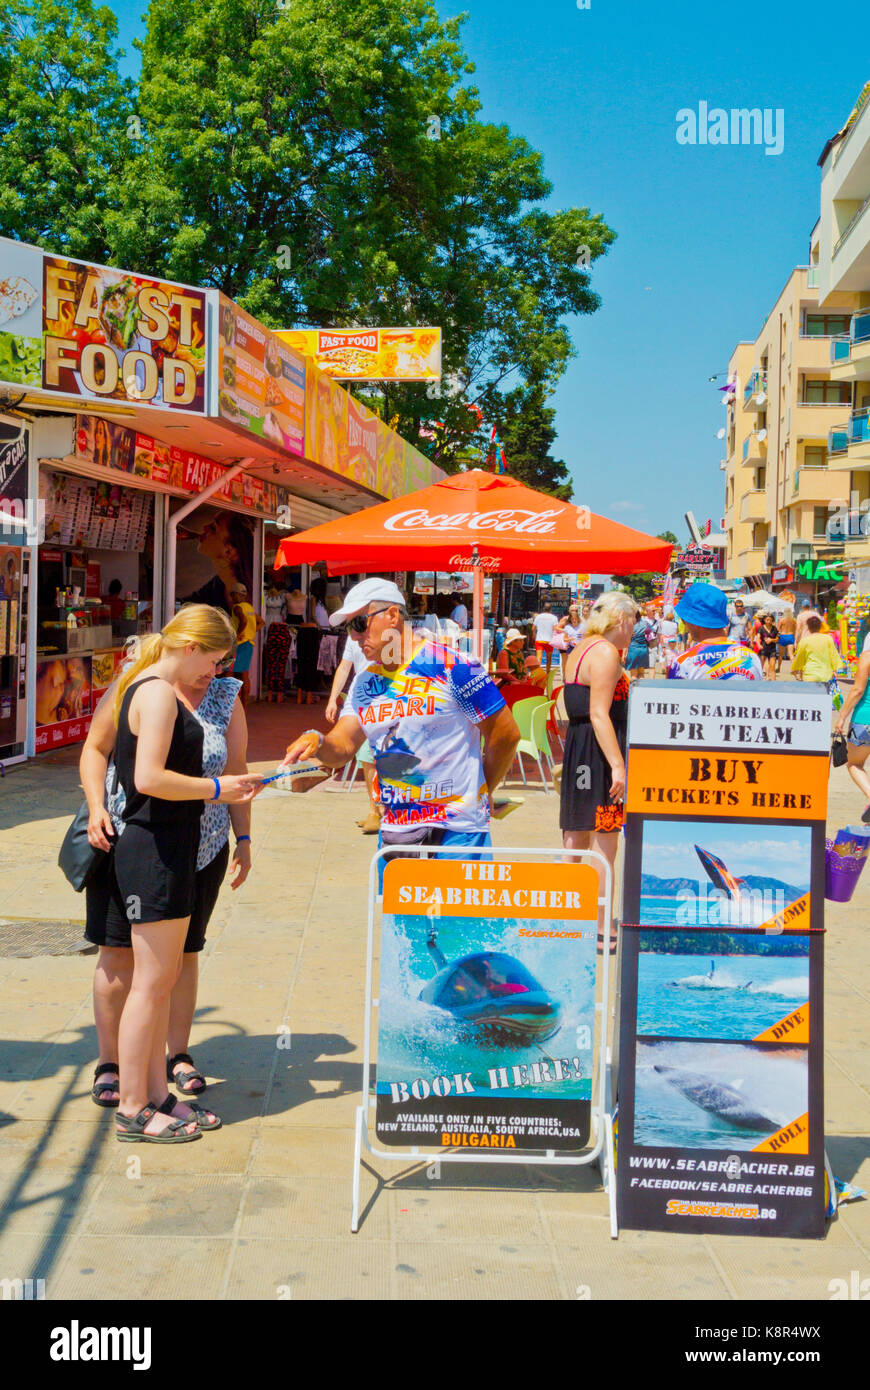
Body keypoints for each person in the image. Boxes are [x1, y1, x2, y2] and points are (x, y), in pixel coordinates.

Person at [84, 606, 261, 1143]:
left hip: (172, 846)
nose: (214, 671)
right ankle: (135, 1106)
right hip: (153, 848)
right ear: (188, 647)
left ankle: (156, 1093)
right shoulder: (156, 691)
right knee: (150, 982)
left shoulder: (153, 686)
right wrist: (216, 790)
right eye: (211, 659)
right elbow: (148, 777)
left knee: (158, 982)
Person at [279, 578, 520, 878]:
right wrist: (318, 741)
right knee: (403, 926)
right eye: (347, 628)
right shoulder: (365, 681)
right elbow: (342, 745)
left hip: (458, 832)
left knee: (458, 926)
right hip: (397, 832)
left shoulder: (455, 665)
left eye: (358, 623)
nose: (353, 637)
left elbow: (506, 735)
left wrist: (482, 791)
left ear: (392, 616)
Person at [559, 592, 637, 954]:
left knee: (574, 839)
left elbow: (576, 708)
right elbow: (599, 713)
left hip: (579, 746)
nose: (634, 628)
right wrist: (618, 765)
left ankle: (568, 921)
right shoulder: (605, 653)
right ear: (619, 619)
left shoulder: (580, 648)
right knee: (605, 844)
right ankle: (603, 929)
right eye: (633, 620)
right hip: (599, 750)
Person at [324, 630, 382, 833]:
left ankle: (387, 810)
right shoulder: (353, 636)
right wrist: (332, 699)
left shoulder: (390, 635)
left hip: (390, 699)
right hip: (363, 703)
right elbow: (344, 667)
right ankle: (374, 810)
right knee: (367, 759)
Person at [667, 584, 763, 680]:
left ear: (692, 620)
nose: (684, 622)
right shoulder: (752, 659)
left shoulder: (683, 664)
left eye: (684, 619)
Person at [834, 646, 870, 822]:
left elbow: (857, 690)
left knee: (854, 764)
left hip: (865, 719)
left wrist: (841, 717)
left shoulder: (867, 656)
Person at [791, 615, 840, 695]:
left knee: (811, 702)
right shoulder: (828, 638)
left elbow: (800, 657)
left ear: (808, 627)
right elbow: (833, 655)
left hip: (810, 674)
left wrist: (795, 668)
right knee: (824, 701)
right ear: (820, 626)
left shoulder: (805, 640)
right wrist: (834, 669)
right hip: (826, 674)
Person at [531, 602, 558, 676]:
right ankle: (548, 673)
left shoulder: (538, 617)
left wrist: (534, 635)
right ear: (551, 609)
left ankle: (536, 673)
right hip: (549, 641)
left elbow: (533, 628)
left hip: (539, 640)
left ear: (543, 609)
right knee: (549, 659)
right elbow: (555, 629)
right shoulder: (554, 617)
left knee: (538, 658)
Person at [758, 612, 780, 680]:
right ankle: (758, 682)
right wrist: (759, 645)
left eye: (770, 620)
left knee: (772, 667)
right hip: (763, 649)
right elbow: (758, 638)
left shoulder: (774, 628)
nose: (768, 621)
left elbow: (777, 639)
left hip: (772, 650)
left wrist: (771, 640)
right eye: (767, 619)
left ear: (772, 620)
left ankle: (774, 684)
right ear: (764, 620)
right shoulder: (761, 628)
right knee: (761, 667)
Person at [777, 606, 796, 671]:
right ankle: (794, 669)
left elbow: (778, 630)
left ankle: (779, 668)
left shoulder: (782, 620)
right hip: (790, 636)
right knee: (791, 654)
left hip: (783, 636)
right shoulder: (793, 620)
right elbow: (795, 630)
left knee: (780, 655)